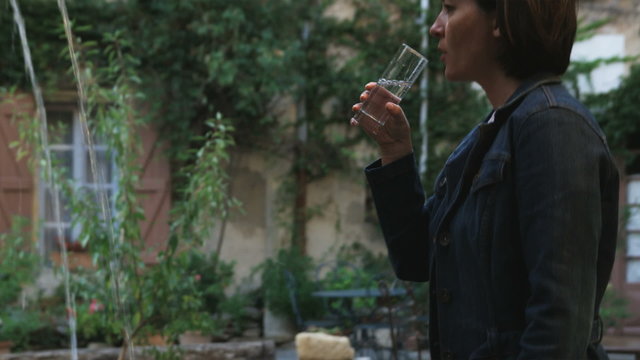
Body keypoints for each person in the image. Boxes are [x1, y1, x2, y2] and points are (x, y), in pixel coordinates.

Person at [350, 0, 619, 359]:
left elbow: (559, 323)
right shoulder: (493, 134)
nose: (436, 26)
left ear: (501, 20)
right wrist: (395, 150)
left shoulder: (552, 126)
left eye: (449, 8)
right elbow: (417, 257)